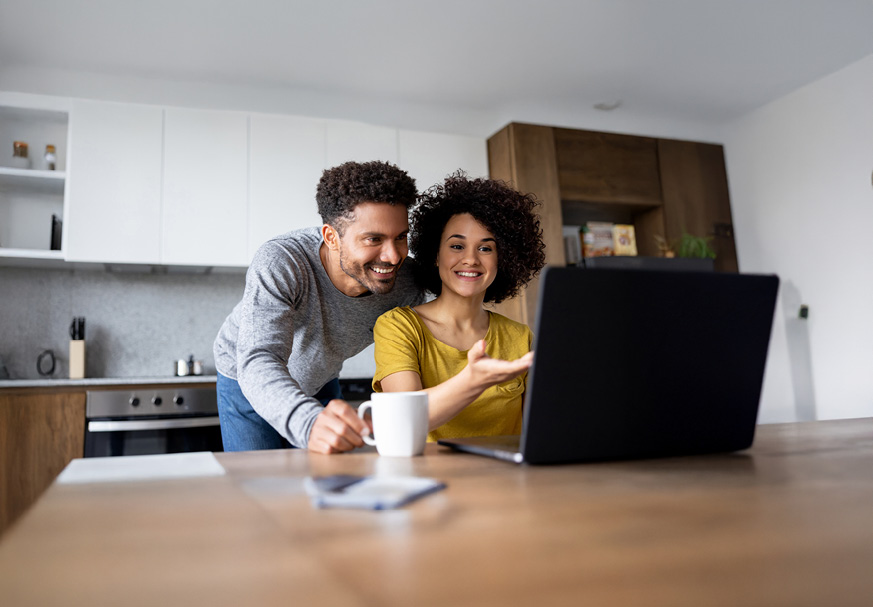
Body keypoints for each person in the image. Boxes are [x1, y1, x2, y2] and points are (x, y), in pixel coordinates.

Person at [213, 160, 424, 454]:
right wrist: (308, 423)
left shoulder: (408, 282)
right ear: (331, 237)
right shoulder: (283, 262)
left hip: (321, 377)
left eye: (401, 237)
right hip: (248, 380)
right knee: (258, 484)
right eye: (373, 239)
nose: (392, 256)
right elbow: (259, 356)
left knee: (328, 481)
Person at [372, 173, 546, 441]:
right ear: (435, 254)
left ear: (505, 259)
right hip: (429, 480)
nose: (470, 259)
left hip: (506, 481)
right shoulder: (398, 327)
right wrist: (474, 380)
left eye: (486, 249)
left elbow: (535, 432)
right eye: (457, 246)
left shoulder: (520, 337)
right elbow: (403, 420)